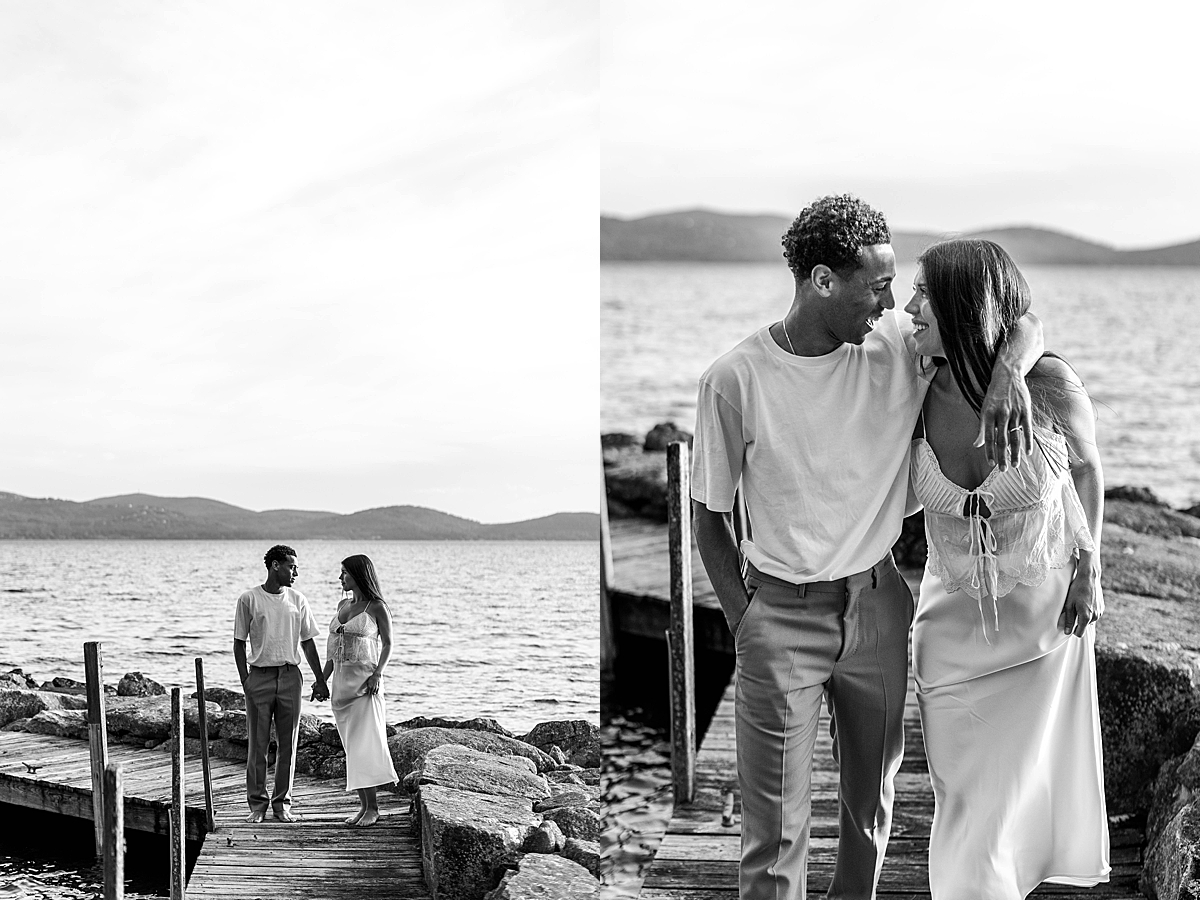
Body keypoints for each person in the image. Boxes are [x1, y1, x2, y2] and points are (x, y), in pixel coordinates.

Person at [690, 194, 1044, 900]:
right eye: (878, 286)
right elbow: (708, 515)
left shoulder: (898, 351)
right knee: (774, 831)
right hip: (779, 615)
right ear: (823, 281)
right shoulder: (734, 379)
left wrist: (1008, 372)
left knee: (869, 809)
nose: (892, 306)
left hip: (879, 607)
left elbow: (1021, 316)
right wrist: (745, 622)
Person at [904, 239, 1108, 897]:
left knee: (999, 822)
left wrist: (1090, 567)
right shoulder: (911, 383)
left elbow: (1087, 469)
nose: (909, 307)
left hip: (1039, 637)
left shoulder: (1049, 384)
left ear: (964, 307)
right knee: (964, 812)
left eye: (924, 294)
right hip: (946, 639)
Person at [233, 544, 330, 824]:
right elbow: (238, 643)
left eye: (296, 568)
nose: (295, 573)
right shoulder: (249, 599)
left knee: (289, 744)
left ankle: (281, 804)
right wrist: (246, 681)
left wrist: (320, 680)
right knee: (258, 746)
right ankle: (257, 805)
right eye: (291, 567)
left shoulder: (298, 599)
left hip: (290, 677)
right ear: (275, 565)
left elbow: (308, 642)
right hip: (259, 677)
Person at [322, 553, 398, 826]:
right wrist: (321, 680)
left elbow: (388, 644)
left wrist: (378, 673)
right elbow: (333, 651)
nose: (340, 578)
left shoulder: (377, 607)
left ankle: (373, 808)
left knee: (365, 746)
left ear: (358, 574)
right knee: (352, 748)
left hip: (365, 686)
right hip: (341, 687)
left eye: (344, 572)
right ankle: (364, 806)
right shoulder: (343, 604)